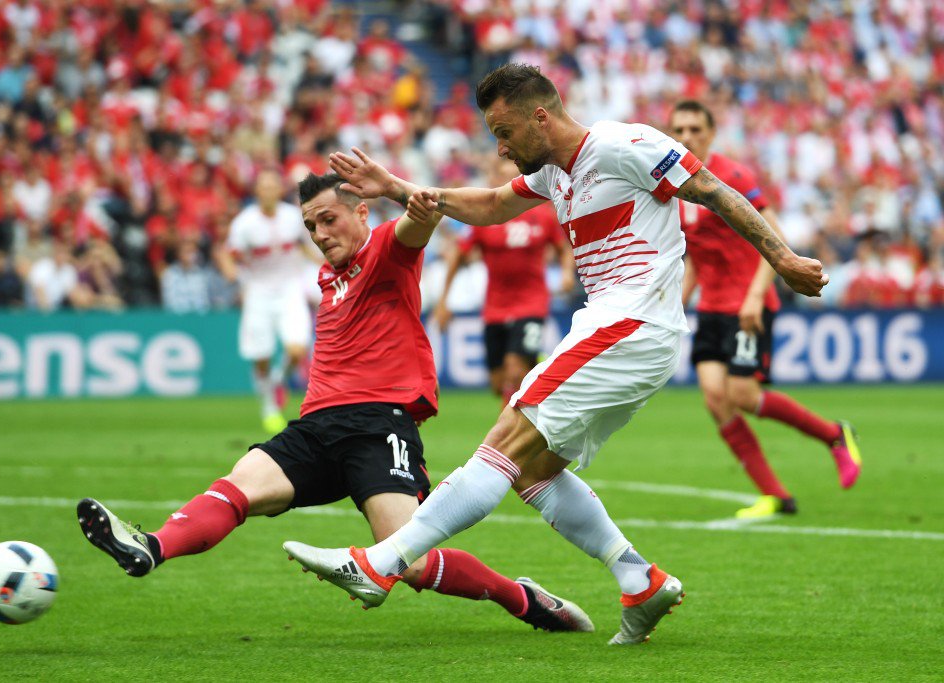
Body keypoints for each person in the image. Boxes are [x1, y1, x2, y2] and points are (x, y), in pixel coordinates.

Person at [283, 64, 828, 645]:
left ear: (540, 117)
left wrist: (784, 258)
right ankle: (638, 578)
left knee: (503, 441)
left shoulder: (626, 145)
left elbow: (715, 190)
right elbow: (491, 203)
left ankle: (379, 564)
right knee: (534, 473)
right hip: (621, 329)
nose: (500, 145)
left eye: (504, 130)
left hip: (631, 324)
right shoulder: (552, 172)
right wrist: (394, 186)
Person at [76, 172, 595, 634]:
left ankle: (522, 599)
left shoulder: (388, 250)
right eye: (311, 227)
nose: (321, 234)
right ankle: (152, 547)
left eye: (329, 220)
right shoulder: (328, 279)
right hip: (315, 428)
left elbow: (424, 213)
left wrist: (394, 187)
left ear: (361, 212)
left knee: (408, 563)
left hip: (378, 426)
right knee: (236, 487)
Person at [670, 100, 862, 519]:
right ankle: (775, 494)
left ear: (711, 133)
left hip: (749, 302)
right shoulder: (674, 187)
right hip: (713, 307)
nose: (686, 137)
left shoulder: (733, 175)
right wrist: (678, 305)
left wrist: (757, 295)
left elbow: (773, 235)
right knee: (715, 399)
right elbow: (697, 258)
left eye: (694, 129)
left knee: (742, 394)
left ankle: (834, 435)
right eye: (678, 130)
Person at [434, 156, 575, 405]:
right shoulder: (485, 219)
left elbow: (563, 247)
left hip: (532, 304)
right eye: (503, 176)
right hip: (495, 307)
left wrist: (565, 272)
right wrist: (444, 301)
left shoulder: (541, 215)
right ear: (495, 180)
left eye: (515, 177)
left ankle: (506, 441)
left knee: (514, 373)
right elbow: (458, 255)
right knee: (499, 383)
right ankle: (536, 364)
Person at [219, 170, 318, 433]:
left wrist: (321, 260)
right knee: (260, 356)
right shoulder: (245, 223)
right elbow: (228, 253)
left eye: (273, 186)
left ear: (279, 190)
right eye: (263, 187)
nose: (269, 191)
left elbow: (302, 244)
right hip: (258, 291)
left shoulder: (292, 217)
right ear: (257, 192)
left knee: (297, 350)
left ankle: (277, 382)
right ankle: (268, 405)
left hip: (290, 289)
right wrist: (230, 270)